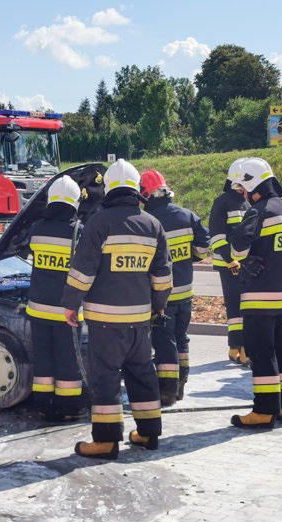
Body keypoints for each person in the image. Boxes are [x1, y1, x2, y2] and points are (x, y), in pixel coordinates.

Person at [62, 159, 172, 460]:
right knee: (142, 374)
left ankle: (106, 441)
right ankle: (148, 433)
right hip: (139, 321)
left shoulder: (99, 223)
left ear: (109, 189)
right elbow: (162, 278)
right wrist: (156, 309)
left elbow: (83, 271)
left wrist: (71, 304)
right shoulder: (153, 225)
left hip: (105, 321)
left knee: (106, 379)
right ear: (137, 189)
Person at [228, 158, 282, 428]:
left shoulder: (257, 212)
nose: (243, 194)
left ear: (252, 184)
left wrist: (247, 258)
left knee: (261, 352)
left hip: (259, 296)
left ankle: (264, 410)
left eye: (243, 188)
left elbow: (237, 250)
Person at [141, 169, 209, 404]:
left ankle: (167, 391)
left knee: (163, 339)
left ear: (147, 195)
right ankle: (181, 384)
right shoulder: (188, 216)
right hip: (186, 291)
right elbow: (202, 249)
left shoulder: (149, 222)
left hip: (163, 294)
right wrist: (187, 260)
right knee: (181, 337)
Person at [25, 175, 87, 422]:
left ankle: (43, 405)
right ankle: (69, 406)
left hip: (38, 309)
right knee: (68, 361)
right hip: (67, 312)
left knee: (43, 360)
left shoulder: (37, 229)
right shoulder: (78, 233)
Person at [208, 159, 251, 366]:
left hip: (247, 264)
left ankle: (238, 347)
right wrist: (230, 260)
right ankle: (238, 347)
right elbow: (216, 236)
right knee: (235, 307)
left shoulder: (248, 202)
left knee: (245, 307)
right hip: (229, 265)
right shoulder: (222, 202)